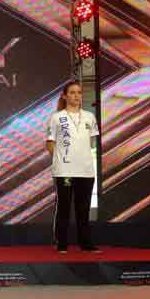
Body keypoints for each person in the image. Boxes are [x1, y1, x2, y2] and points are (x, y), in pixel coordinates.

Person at [46, 81, 101, 253]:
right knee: (64, 206)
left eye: (79, 92)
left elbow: (92, 142)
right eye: (72, 92)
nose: (76, 96)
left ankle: (85, 243)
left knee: (83, 208)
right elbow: (50, 143)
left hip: (86, 170)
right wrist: (60, 160)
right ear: (64, 96)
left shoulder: (89, 117)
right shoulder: (57, 117)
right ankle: (61, 243)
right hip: (65, 171)